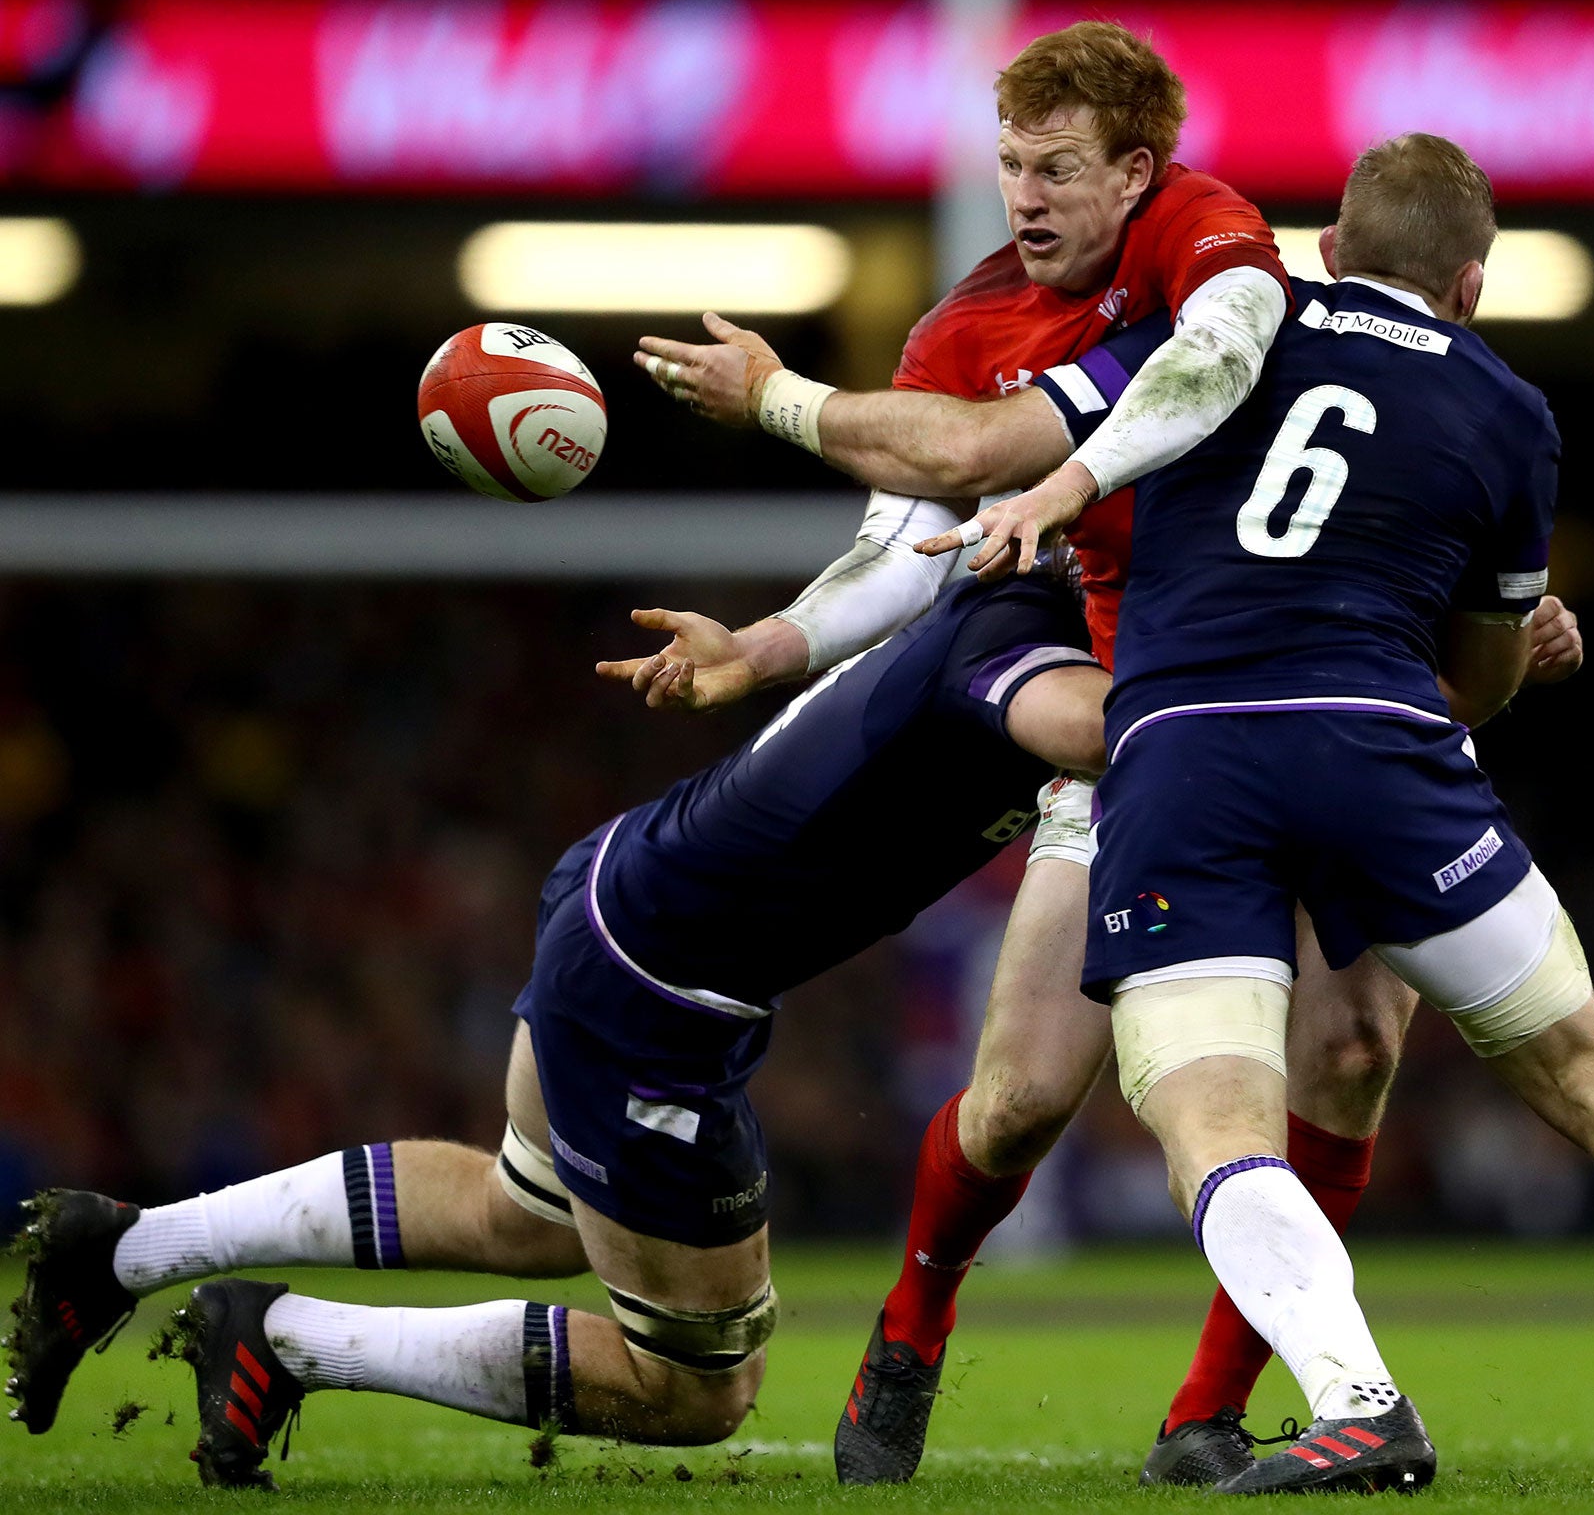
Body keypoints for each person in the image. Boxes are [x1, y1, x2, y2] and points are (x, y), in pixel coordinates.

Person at [920, 131, 1594, 1494]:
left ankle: (1361, 1401)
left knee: (1216, 1122)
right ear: (1473, 285)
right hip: (1387, 745)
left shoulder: (1230, 317)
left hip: (1189, 745)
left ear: (1324, 252)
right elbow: (1480, 682)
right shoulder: (1506, 409)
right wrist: (1508, 639)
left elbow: (1105, 437)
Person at [627, 18, 1571, 1487]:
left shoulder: (1215, 241)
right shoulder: (964, 334)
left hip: (1304, 709)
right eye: (1010, 165)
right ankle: (916, 1316)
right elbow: (913, 540)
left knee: (1352, 1050)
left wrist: (1507, 600)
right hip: (1141, 731)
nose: (1026, 195)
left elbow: (1279, 404)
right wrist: (762, 650)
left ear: (1139, 172)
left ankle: (1206, 1412)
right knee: (1019, 1098)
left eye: (1057, 167)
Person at [4, 573, 1106, 1487]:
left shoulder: (1020, 607)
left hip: (627, 903)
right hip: (655, 993)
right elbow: (1096, 725)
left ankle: (126, 1248)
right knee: (694, 1387)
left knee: (526, 1211)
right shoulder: (1037, 638)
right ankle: (285, 1341)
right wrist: (1255, 696)